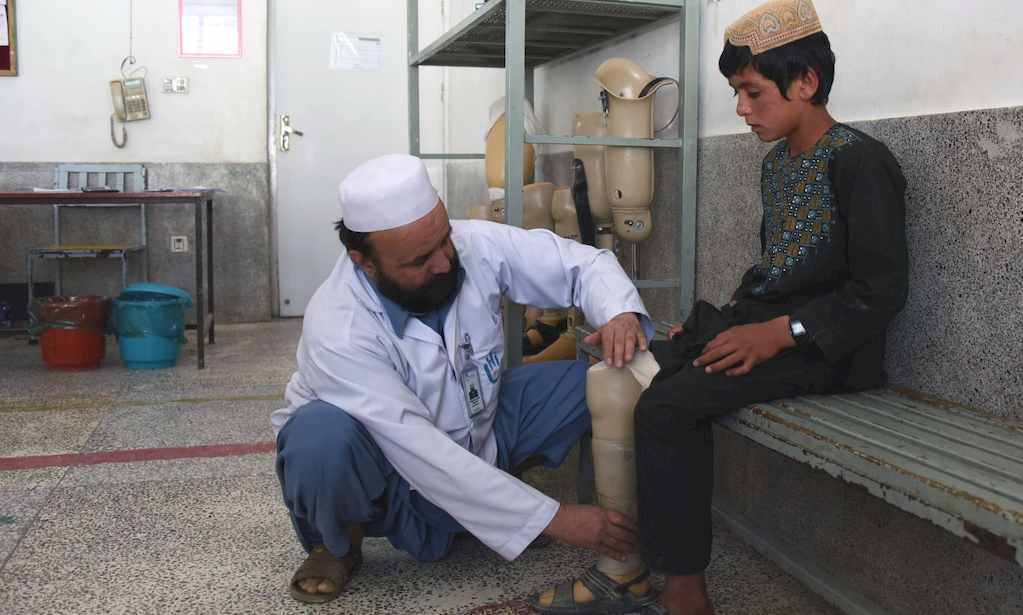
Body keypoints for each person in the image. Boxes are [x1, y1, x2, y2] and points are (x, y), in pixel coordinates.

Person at [533, 1, 909, 613]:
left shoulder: (861, 162)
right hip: (769, 331)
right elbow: (779, 269)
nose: (741, 108)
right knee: (623, 370)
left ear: (807, 83)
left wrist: (781, 333)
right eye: (738, 91)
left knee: (668, 408)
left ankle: (685, 590)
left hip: (831, 352)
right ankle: (622, 568)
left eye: (753, 92)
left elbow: (880, 292)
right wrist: (722, 322)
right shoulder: (777, 163)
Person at [270, 154, 654, 604]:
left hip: (481, 420)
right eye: (420, 260)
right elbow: (419, 450)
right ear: (365, 262)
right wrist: (556, 518)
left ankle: (493, 504)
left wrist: (619, 312)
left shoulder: (470, 244)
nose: (443, 263)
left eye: (443, 242)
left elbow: (579, 264)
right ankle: (335, 542)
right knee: (319, 435)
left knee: (597, 384)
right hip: (391, 463)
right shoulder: (338, 326)